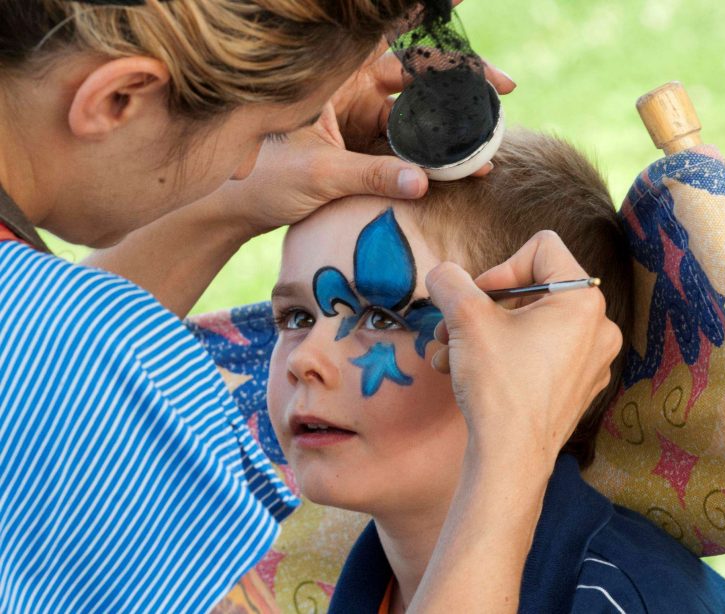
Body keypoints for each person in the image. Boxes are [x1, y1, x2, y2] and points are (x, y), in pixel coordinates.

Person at [0, 1, 616, 612]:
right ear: (117, 98)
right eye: (255, 133)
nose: (246, 169)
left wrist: (230, 204)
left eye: (382, 316)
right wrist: (513, 448)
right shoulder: (78, 343)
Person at [267, 130, 725, 613]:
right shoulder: (367, 579)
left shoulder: (616, 601)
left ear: (544, 356)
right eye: (297, 318)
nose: (304, 358)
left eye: (382, 317)